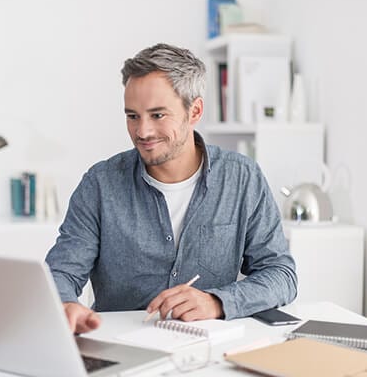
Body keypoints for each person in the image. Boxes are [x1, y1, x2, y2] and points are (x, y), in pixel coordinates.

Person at [45, 43, 297, 334]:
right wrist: (64, 304)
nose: (143, 132)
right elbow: (61, 271)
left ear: (195, 111)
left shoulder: (242, 178)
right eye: (132, 116)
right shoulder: (100, 184)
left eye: (158, 115)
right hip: (125, 350)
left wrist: (217, 301)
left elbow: (281, 275)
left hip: (209, 350)